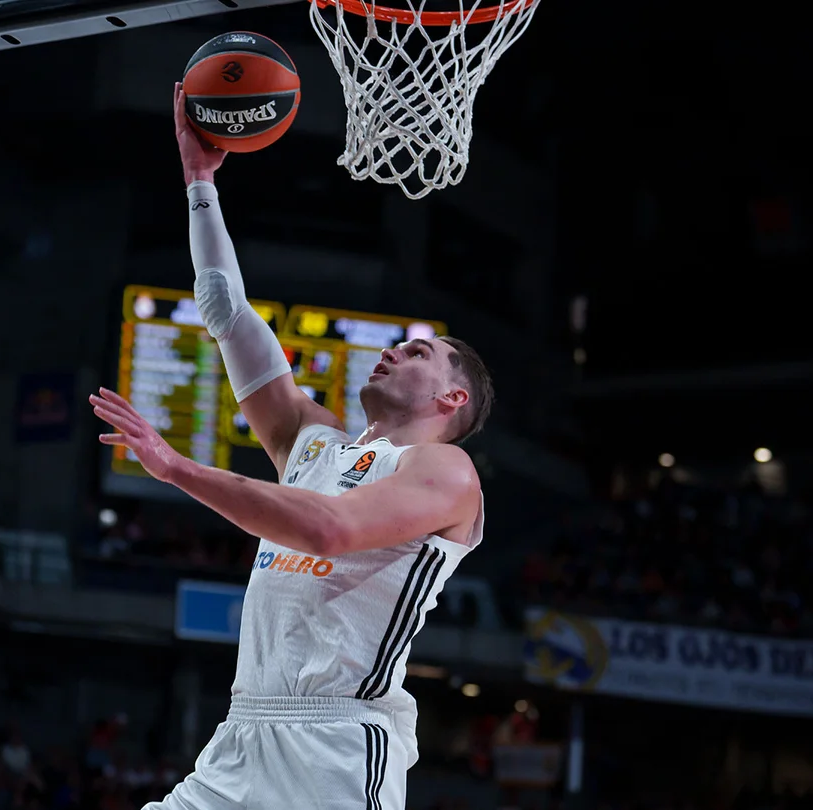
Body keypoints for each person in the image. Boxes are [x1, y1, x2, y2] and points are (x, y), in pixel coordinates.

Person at [85, 83, 495, 810]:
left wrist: (177, 468)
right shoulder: (314, 446)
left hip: (335, 749)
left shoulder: (444, 471)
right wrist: (200, 183)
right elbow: (224, 310)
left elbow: (330, 529)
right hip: (243, 736)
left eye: (419, 352)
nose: (395, 351)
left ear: (452, 399)